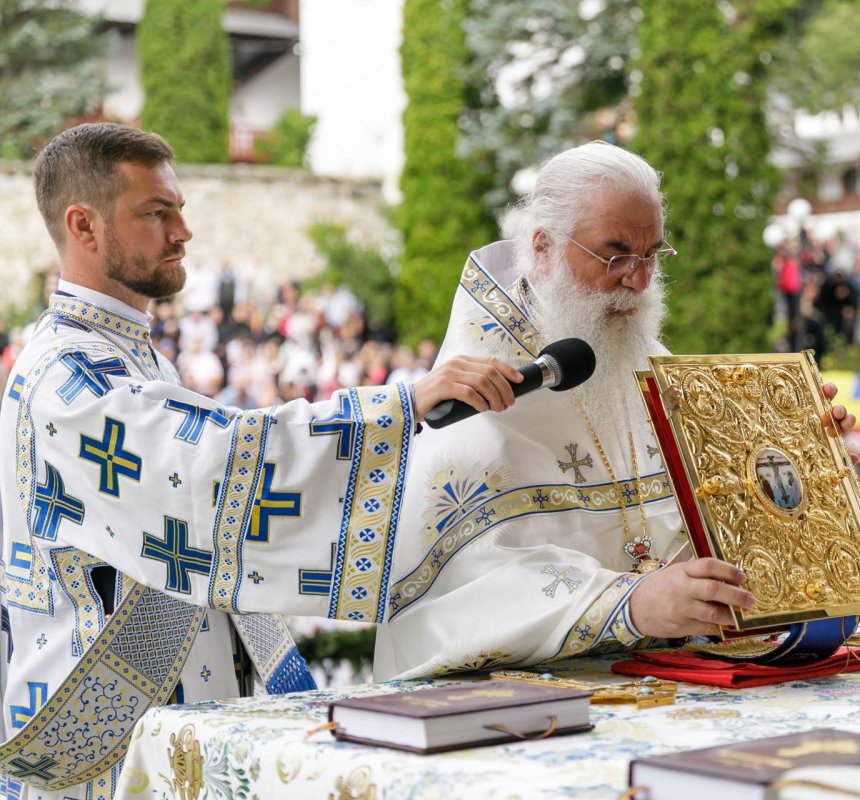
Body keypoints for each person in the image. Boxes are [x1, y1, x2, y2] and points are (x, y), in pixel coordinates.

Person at [0, 123, 519, 797]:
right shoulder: (65, 377)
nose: (183, 231)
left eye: (180, 208)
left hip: (158, 734)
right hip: (104, 758)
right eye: (158, 213)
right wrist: (403, 404)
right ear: (84, 226)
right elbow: (211, 468)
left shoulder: (129, 354)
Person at [375, 142, 855, 679]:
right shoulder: (476, 401)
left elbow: (708, 521)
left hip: (659, 682)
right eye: (616, 254)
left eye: (652, 254)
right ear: (542, 247)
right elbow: (462, 590)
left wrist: (793, 460)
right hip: (521, 711)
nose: (640, 278)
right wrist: (628, 605)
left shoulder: (640, 357)